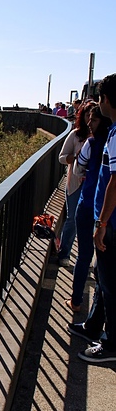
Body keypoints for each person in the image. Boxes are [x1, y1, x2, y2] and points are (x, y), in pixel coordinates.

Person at [77, 74, 116, 362]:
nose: (99, 103)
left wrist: (101, 224)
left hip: (110, 223)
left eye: (101, 98)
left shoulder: (115, 135)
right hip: (108, 220)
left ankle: (111, 344)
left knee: (110, 283)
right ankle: (95, 327)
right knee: (104, 281)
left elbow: (115, 181)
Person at [65, 106, 111, 311]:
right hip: (108, 210)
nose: (90, 124)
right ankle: (97, 311)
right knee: (104, 261)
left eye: (93, 120)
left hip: (89, 203)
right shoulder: (112, 139)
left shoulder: (91, 143)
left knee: (84, 253)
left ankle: (76, 301)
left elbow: (77, 168)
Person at [57, 100, 93, 265]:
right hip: (75, 183)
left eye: (93, 115)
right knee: (72, 219)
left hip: (93, 184)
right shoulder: (75, 134)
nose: (90, 119)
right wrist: (75, 157)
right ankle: (64, 254)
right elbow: (62, 157)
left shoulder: (103, 137)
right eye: (87, 115)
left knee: (93, 221)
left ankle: (86, 259)